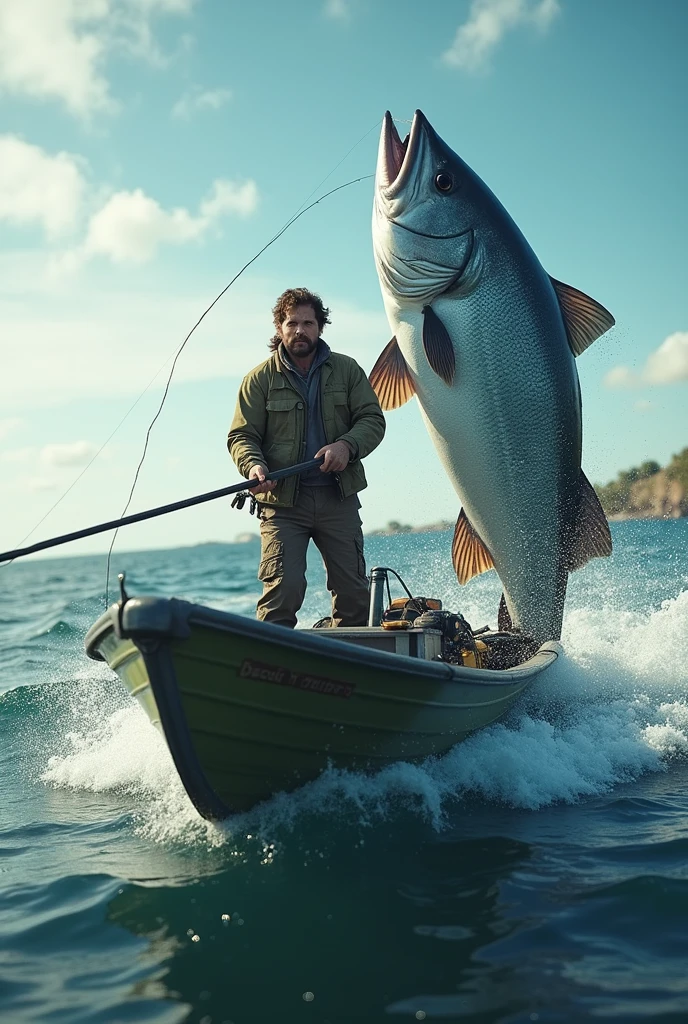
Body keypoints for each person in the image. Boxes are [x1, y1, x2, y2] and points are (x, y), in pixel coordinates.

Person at [228, 287, 385, 628]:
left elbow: (372, 420)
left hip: (337, 497)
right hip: (283, 505)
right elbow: (242, 436)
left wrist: (346, 446)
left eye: (308, 323)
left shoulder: (347, 370)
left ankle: (352, 670)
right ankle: (269, 671)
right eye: (292, 323)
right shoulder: (258, 380)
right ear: (279, 328)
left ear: (320, 327)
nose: (300, 330)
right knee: (283, 592)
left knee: (354, 594)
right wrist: (254, 466)